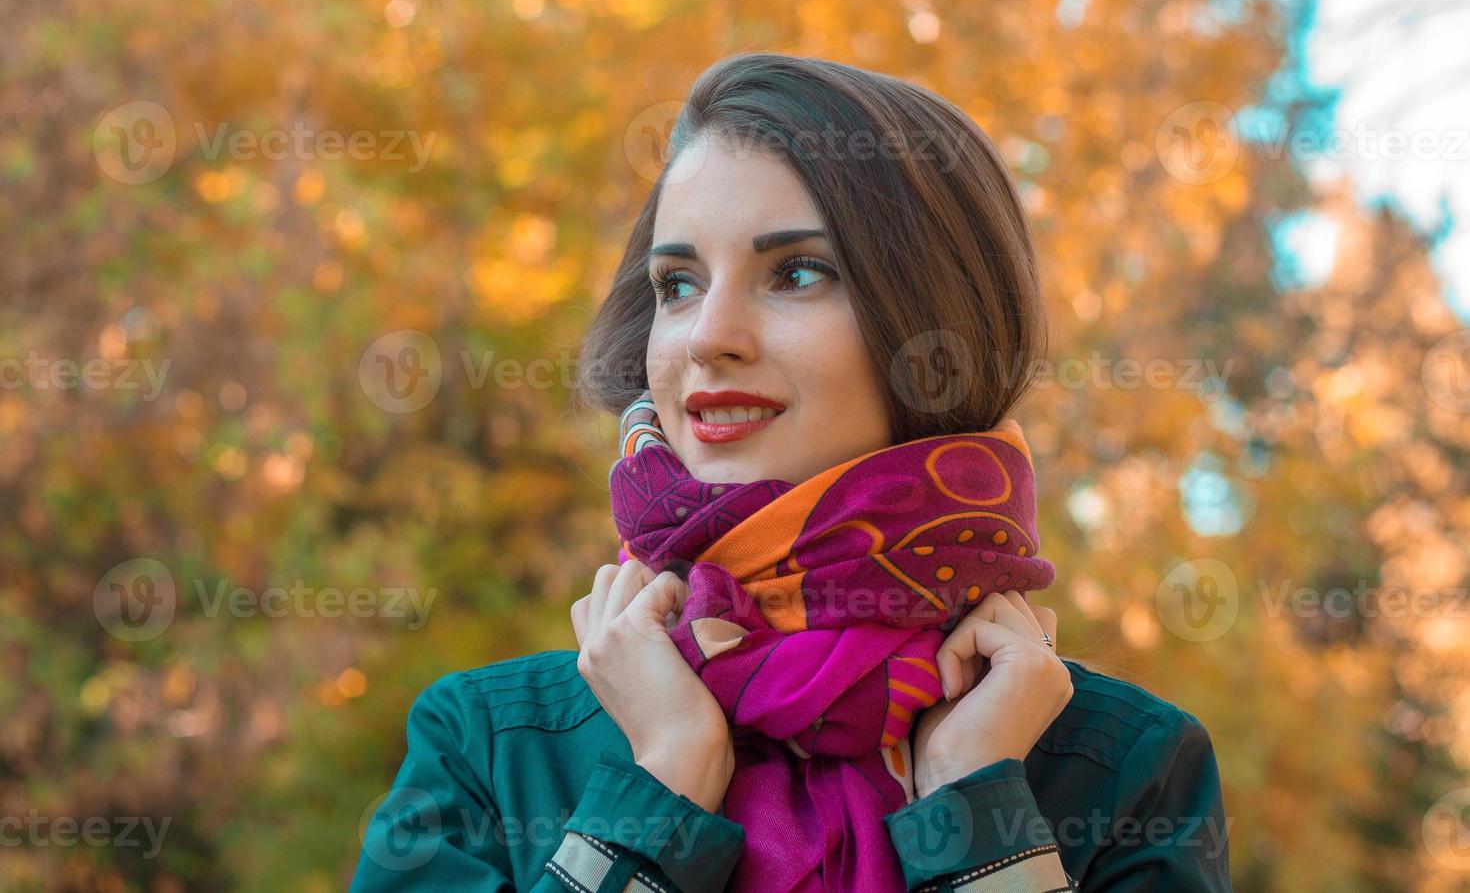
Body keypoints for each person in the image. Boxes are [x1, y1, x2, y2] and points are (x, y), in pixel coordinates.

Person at [351, 52, 1231, 891]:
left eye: (797, 273)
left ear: (936, 334)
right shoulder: (491, 745)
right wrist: (658, 788)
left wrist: (978, 813)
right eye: (678, 285)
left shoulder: (1128, 770)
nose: (708, 335)